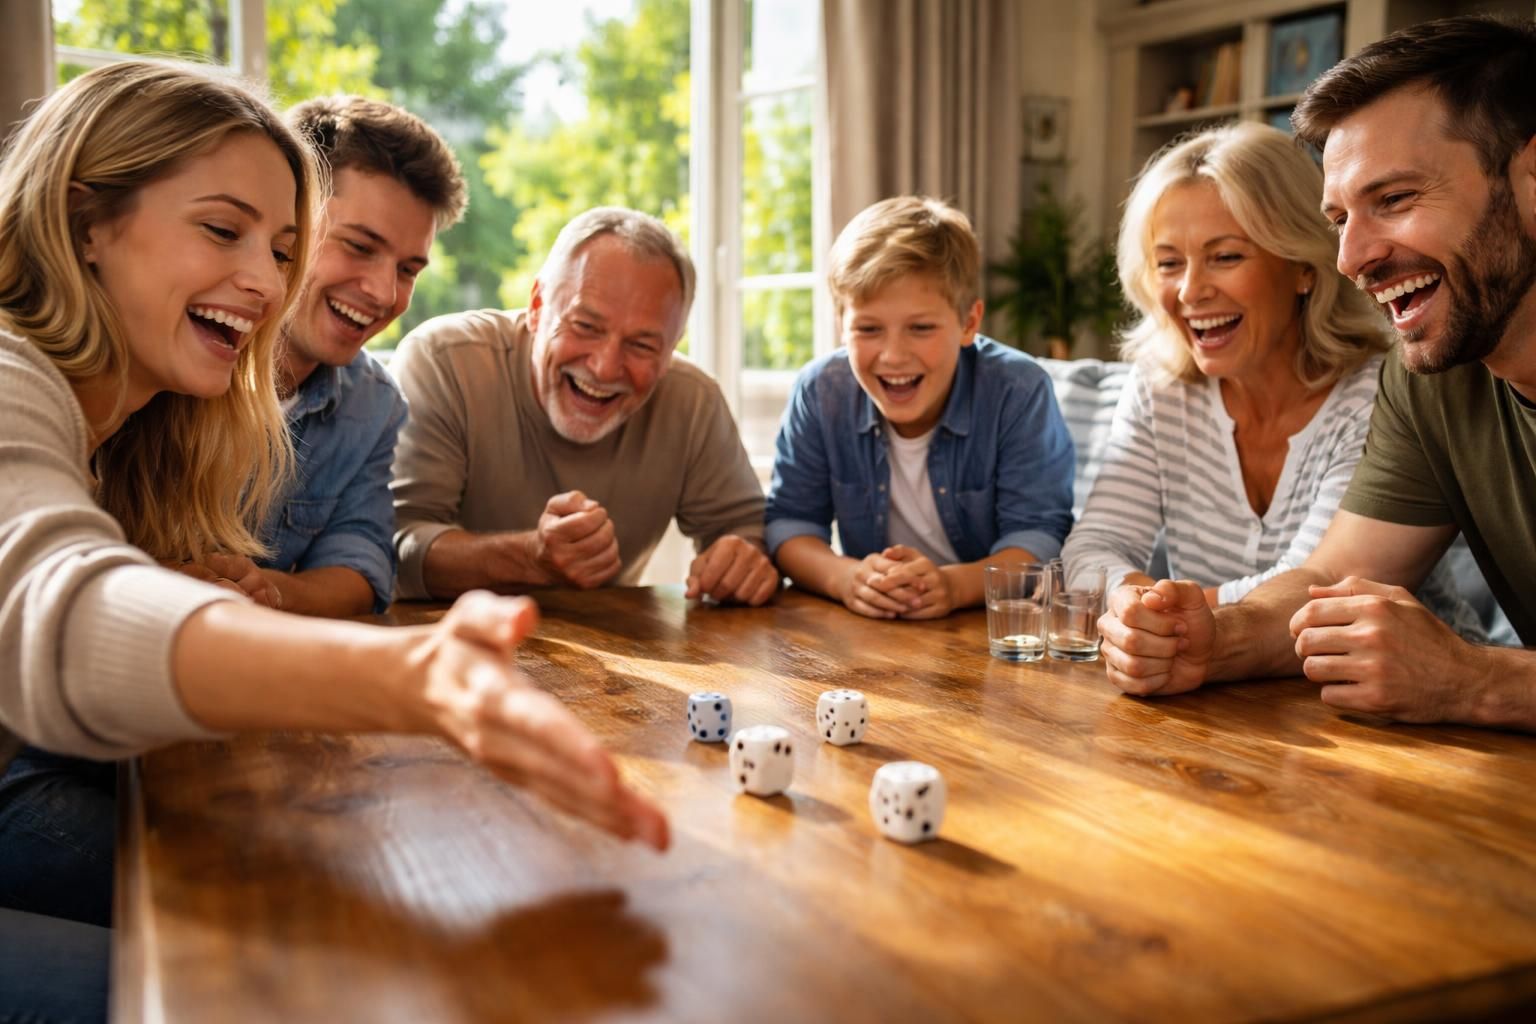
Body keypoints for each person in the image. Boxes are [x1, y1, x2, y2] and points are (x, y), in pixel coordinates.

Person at [0, 62, 666, 1020]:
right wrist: (413, 682)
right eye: (223, 230)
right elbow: (63, 612)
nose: (263, 282)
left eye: (279, 248)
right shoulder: (17, 375)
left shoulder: (160, 422)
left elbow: (351, 563)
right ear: (85, 222)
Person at [1097, 15, 1536, 732]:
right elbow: (1331, 577)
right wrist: (1213, 642)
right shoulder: (1431, 379)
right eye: (1339, 219)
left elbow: (1464, 674)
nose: (1351, 259)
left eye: (1393, 200)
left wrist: (1474, 680)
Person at [1061, 123, 1390, 604]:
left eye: (1226, 256)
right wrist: (1143, 607)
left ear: (1303, 266)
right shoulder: (1160, 387)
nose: (1191, 291)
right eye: (1169, 263)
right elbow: (1094, 548)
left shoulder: (1377, 396)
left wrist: (1172, 616)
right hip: (1216, 674)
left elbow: (1314, 586)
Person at [389, 207, 777, 606]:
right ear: (537, 307)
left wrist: (742, 560)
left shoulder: (692, 400)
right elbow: (395, 545)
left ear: (671, 349)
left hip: (612, 652)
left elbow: (747, 531)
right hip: (438, 644)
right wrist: (530, 558)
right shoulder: (443, 361)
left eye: (642, 345)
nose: (606, 366)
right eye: (585, 327)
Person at [765, 196, 1075, 619]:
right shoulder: (821, 391)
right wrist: (846, 578)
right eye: (869, 329)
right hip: (873, 629)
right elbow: (790, 525)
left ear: (969, 323)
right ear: (841, 326)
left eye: (921, 328)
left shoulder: (1017, 391)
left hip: (986, 628)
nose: (893, 356)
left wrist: (953, 586)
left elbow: (1039, 537)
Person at [249, 96, 466, 617]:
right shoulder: (177, 360)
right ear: (289, 220)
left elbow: (362, 565)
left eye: (409, 269)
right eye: (359, 246)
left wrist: (265, 593)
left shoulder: (373, 404)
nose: (384, 292)